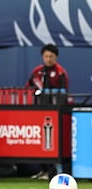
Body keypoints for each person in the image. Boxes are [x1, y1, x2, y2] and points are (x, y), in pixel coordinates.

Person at [26, 44, 69, 180]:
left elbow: (64, 94)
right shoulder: (37, 72)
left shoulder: (61, 72)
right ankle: (43, 170)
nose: (48, 59)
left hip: (55, 114)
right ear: (42, 57)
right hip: (38, 112)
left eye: (51, 56)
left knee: (52, 143)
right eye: (46, 56)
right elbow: (29, 88)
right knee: (39, 141)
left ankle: (54, 171)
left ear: (56, 57)